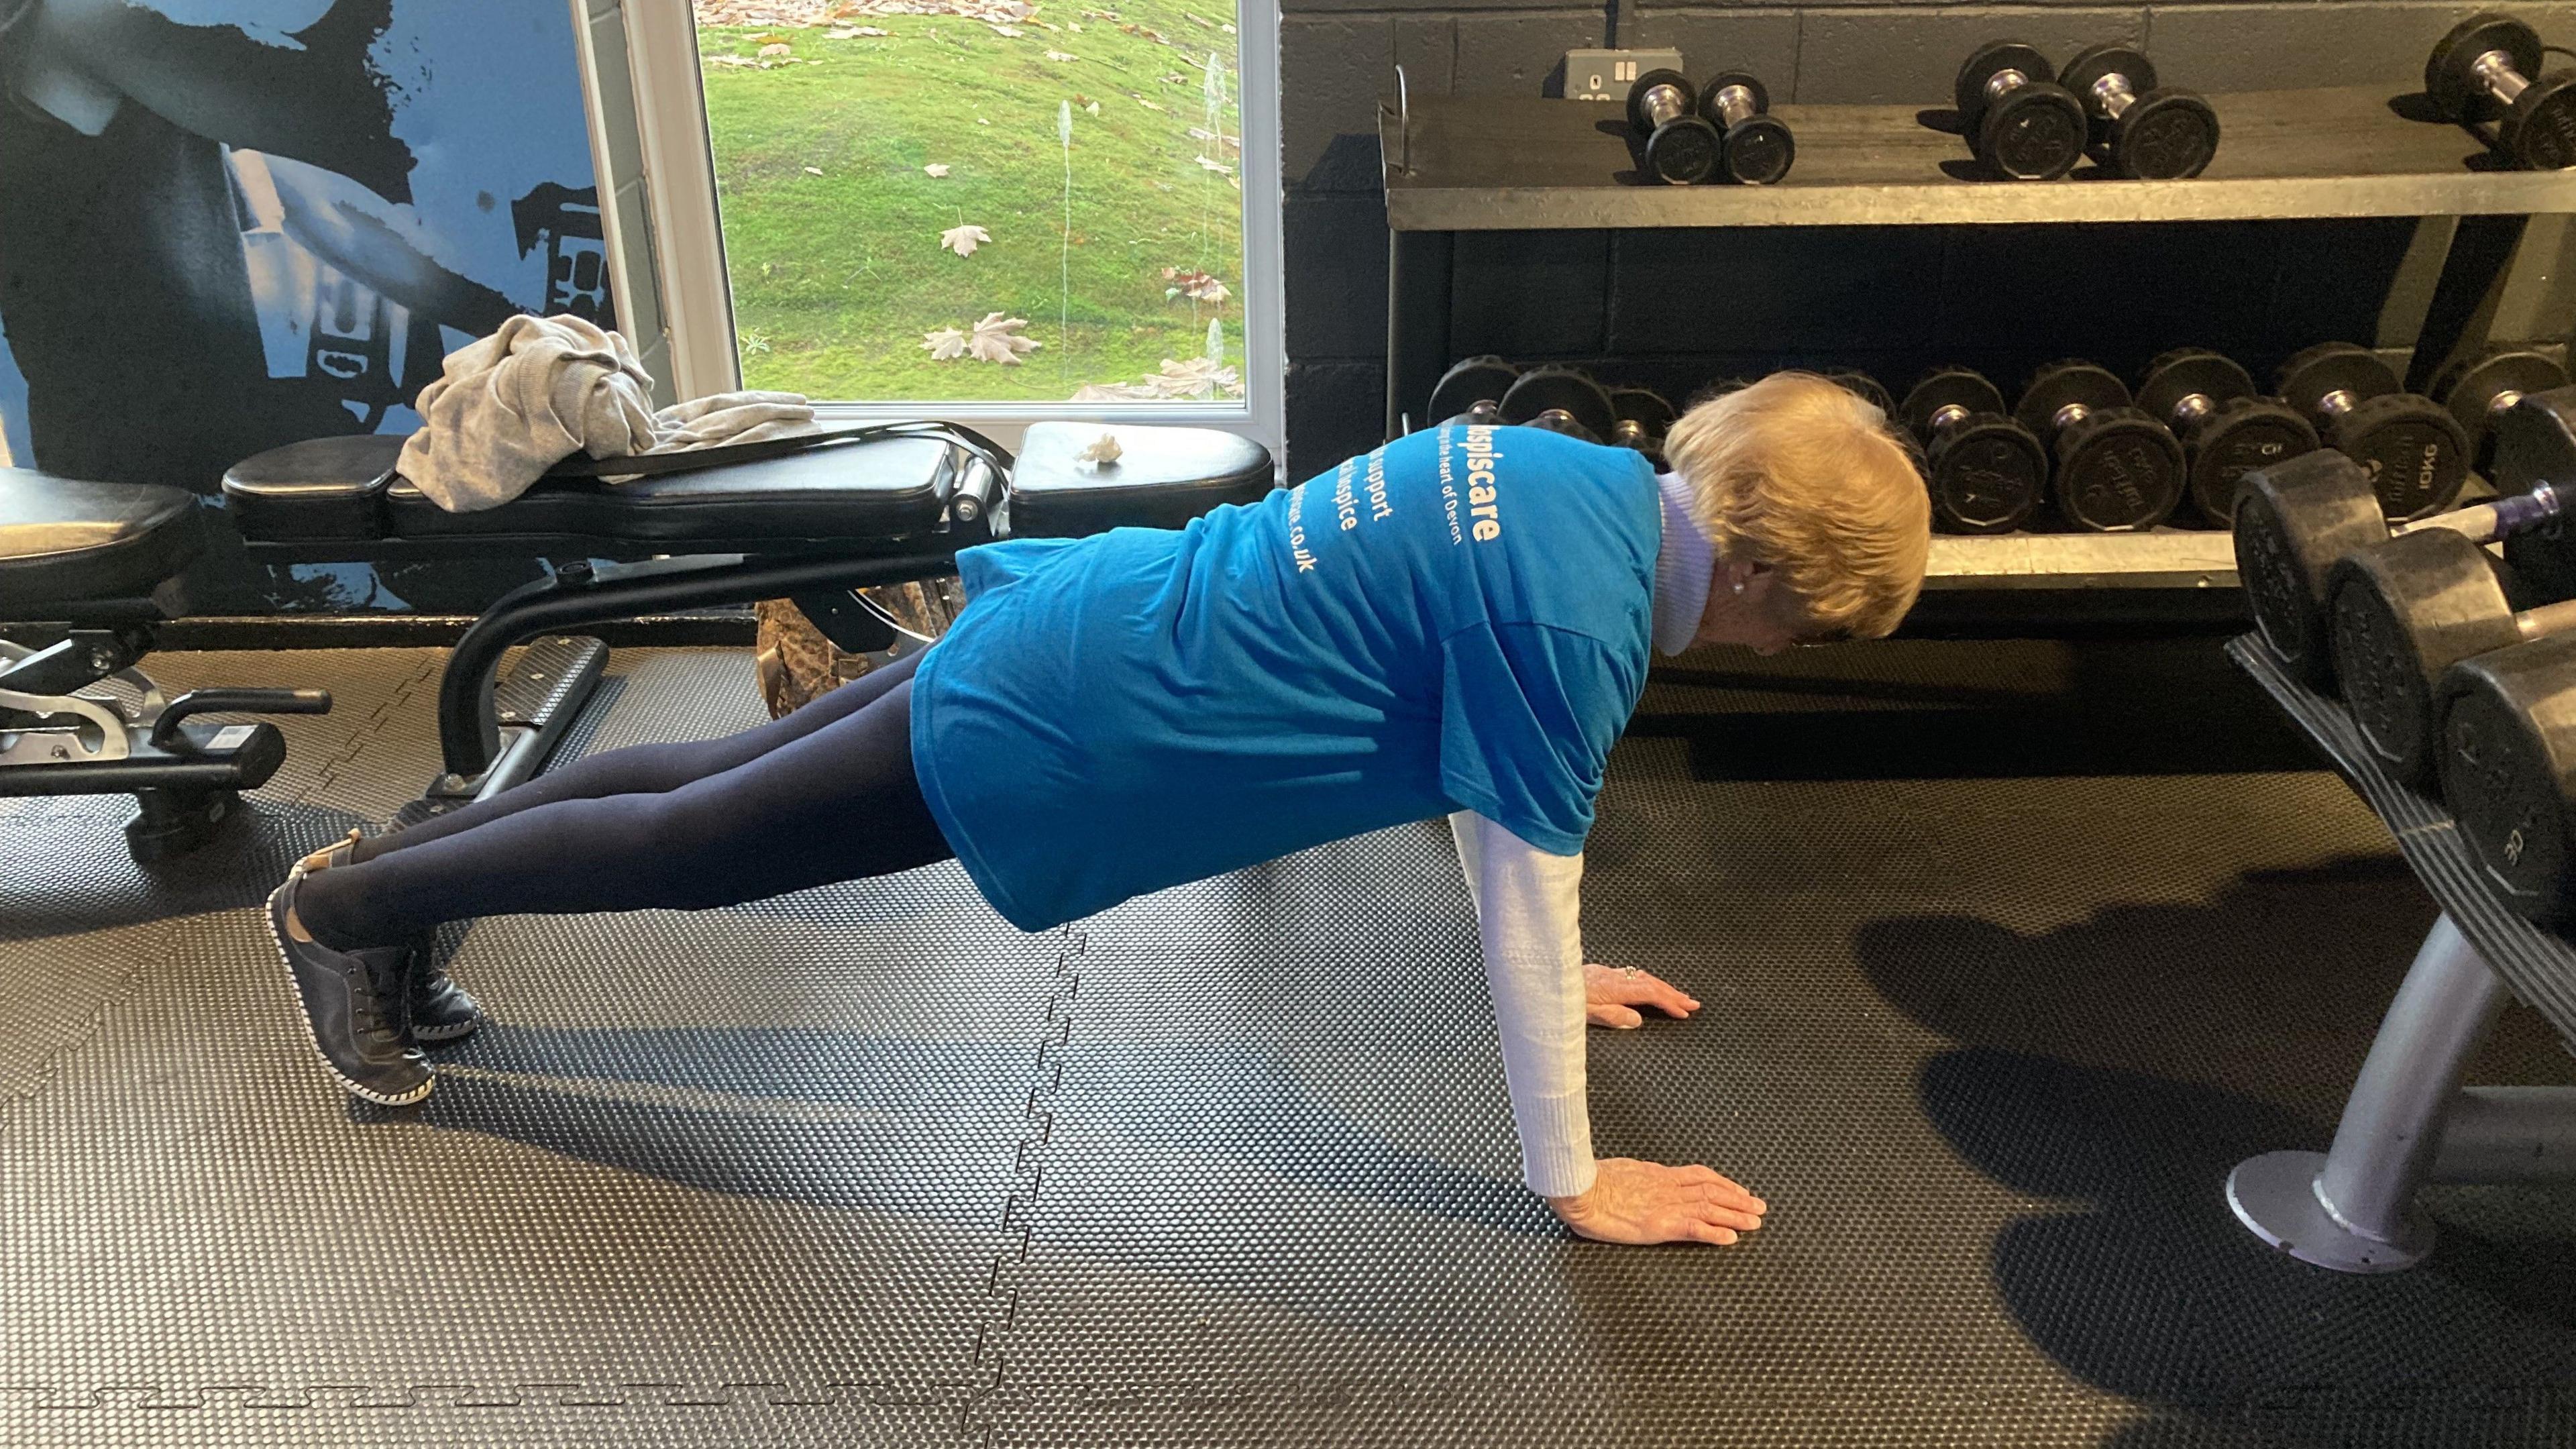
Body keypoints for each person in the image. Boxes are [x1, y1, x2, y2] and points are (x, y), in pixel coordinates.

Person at [268, 371, 1931, 1246]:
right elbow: (1524, 885)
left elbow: (1467, 755)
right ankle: (337, 914)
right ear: (1768, 576)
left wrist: (1566, 973)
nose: (1786, 649)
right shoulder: (1581, 629)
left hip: (1085, 621)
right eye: (1809, 626)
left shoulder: (1561, 471)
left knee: (697, 783)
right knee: (692, 846)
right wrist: (1574, 1176)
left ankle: (387, 879)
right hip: (1063, 724)